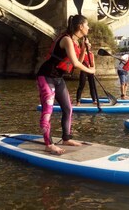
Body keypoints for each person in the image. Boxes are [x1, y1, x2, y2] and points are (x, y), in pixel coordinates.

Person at [36, 14, 95, 155]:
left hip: (58, 78)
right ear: (80, 27)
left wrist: (83, 47)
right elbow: (75, 64)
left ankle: (66, 139)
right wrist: (91, 70)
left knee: (68, 109)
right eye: (87, 25)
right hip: (46, 76)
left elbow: (76, 62)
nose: (89, 28)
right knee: (47, 111)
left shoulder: (74, 42)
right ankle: (48, 144)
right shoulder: (67, 39)